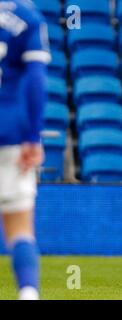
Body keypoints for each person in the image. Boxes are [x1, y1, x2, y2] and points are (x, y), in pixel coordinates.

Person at [0, 0, 50, 300]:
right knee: (19, 227)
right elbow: (36, 78)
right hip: (10, 133)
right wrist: (33, 135)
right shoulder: (27, 16)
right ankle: (28, 294)